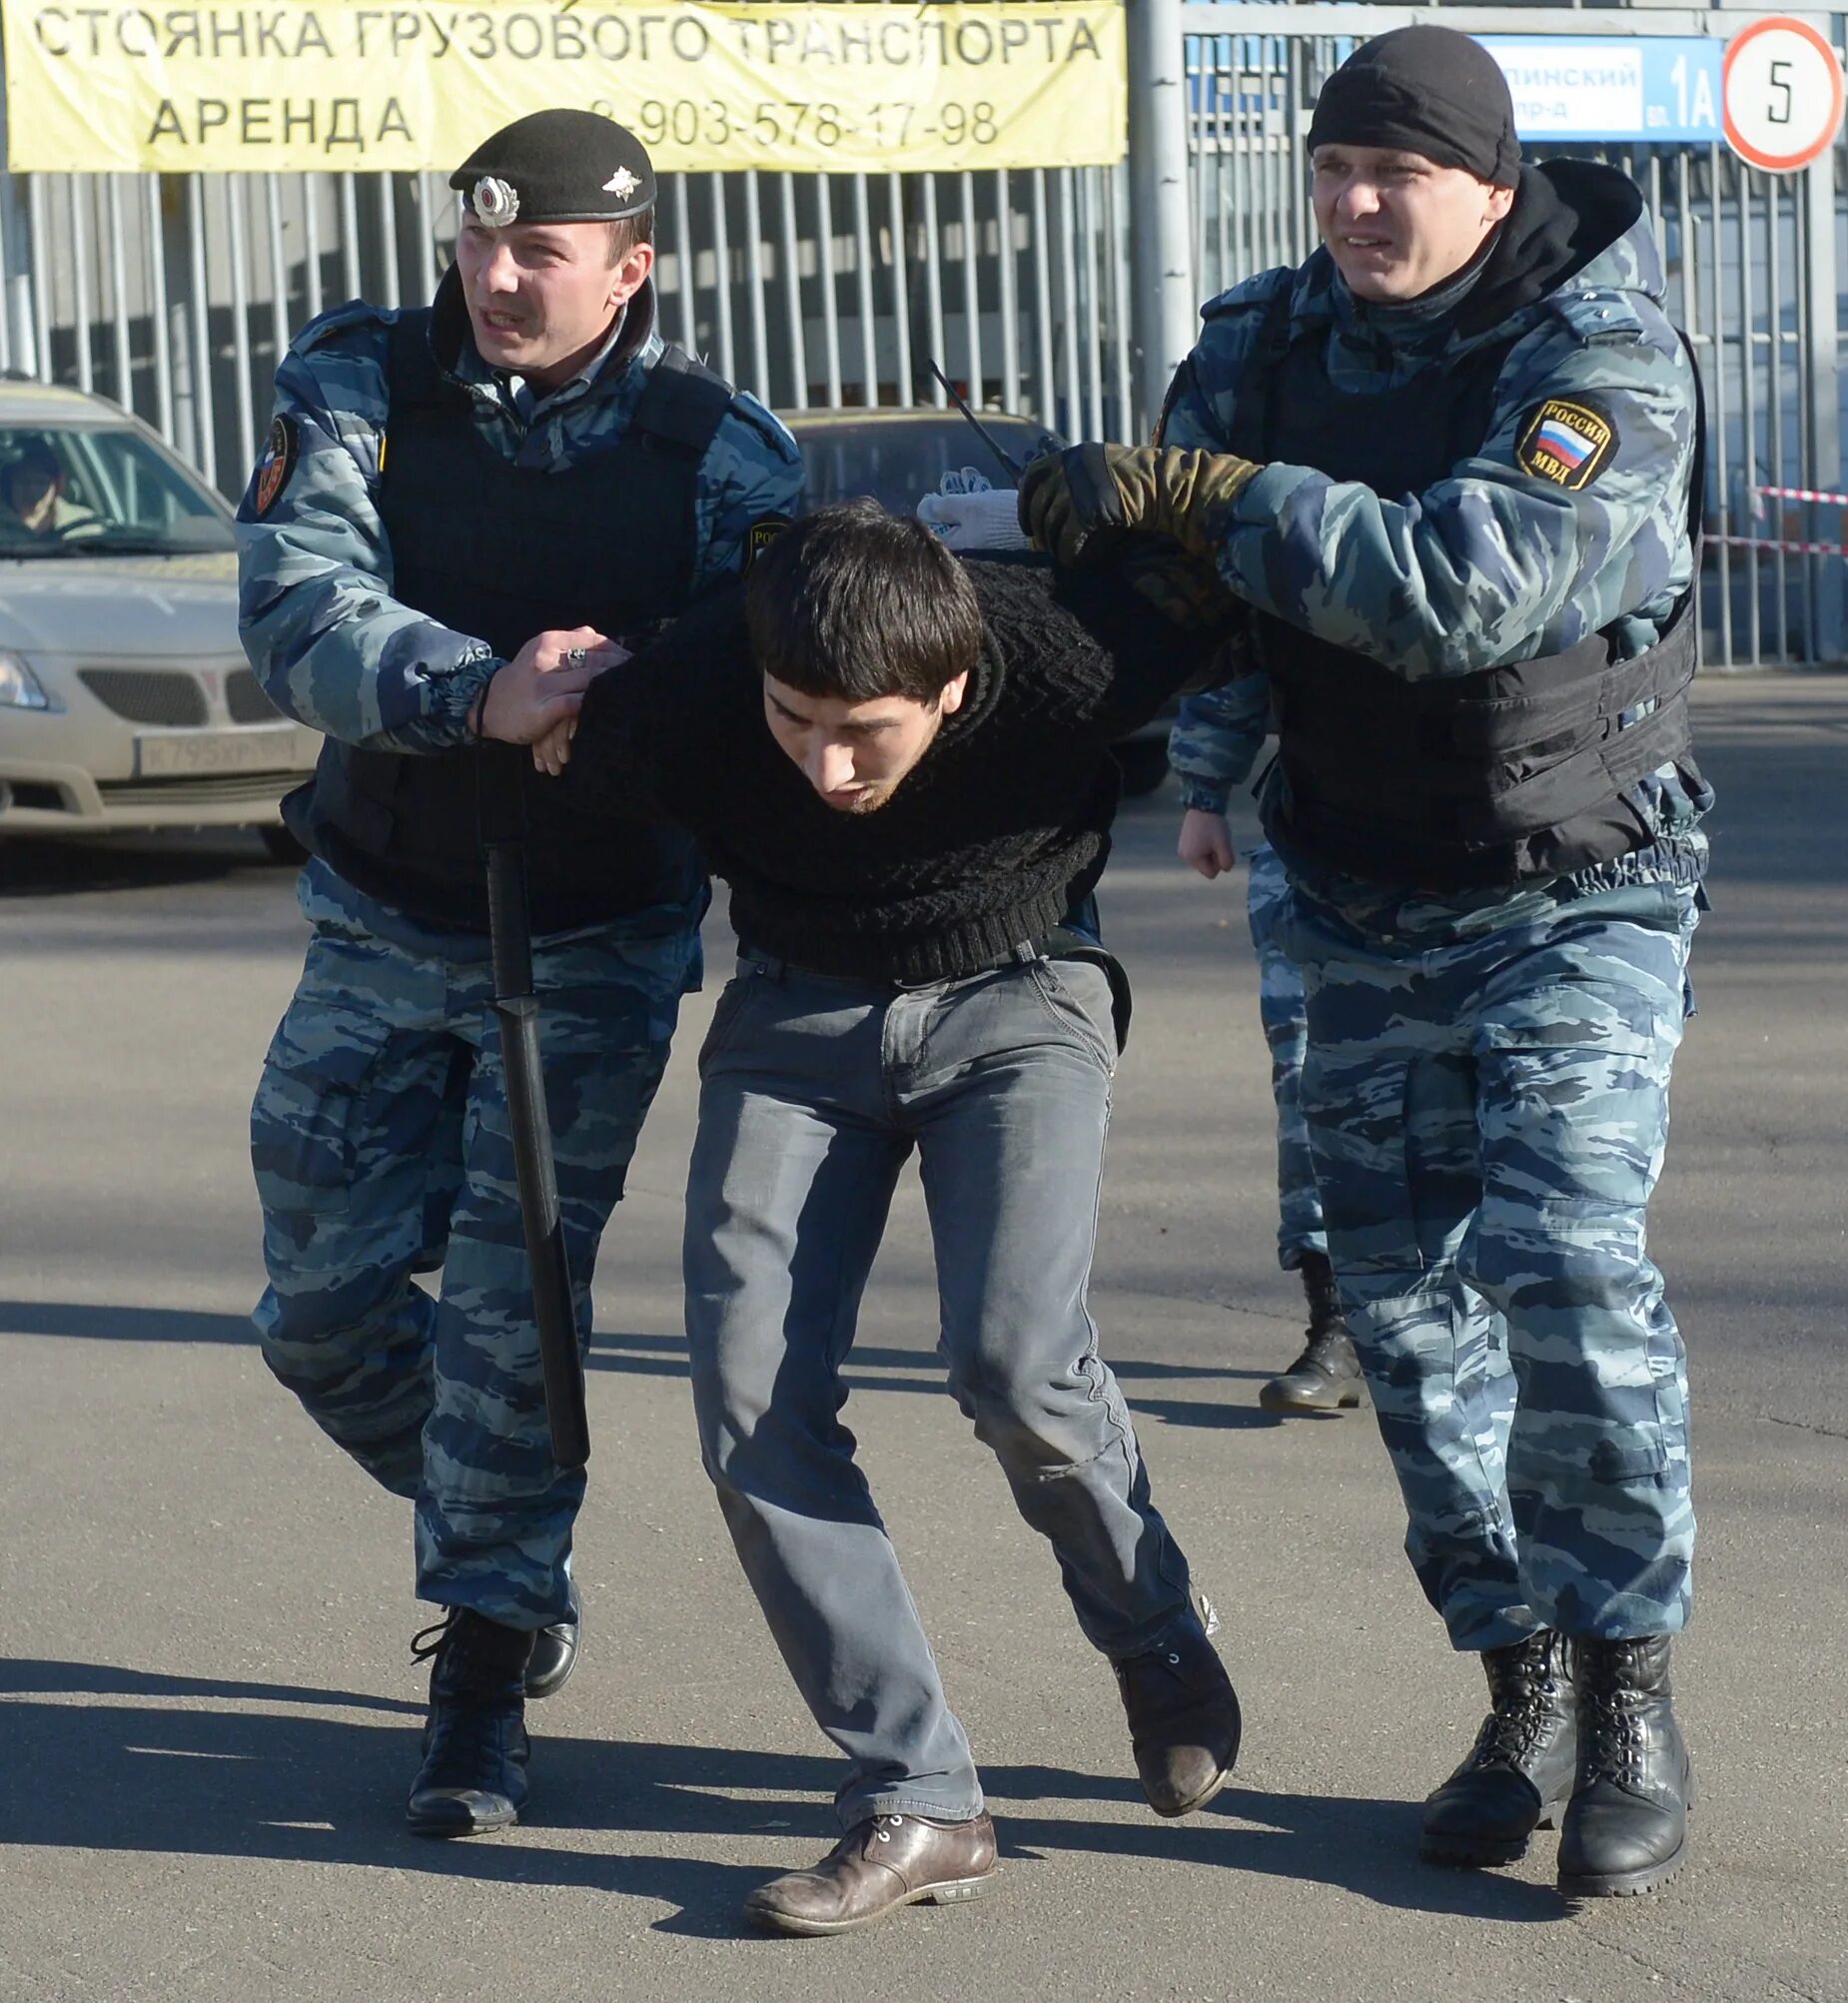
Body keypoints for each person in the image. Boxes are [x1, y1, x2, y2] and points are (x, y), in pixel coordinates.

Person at [1018, 25, 1708, 1897]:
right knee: (1404, 1326)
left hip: (1576, 889)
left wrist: (1210, 501)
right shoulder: (1264, 343)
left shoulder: (1598, 351)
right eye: (1333, 170)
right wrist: (1042, 591)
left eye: (1396, 174)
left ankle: (1633, 1685)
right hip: (1357, 893)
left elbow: (1465, 587)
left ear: (1491, 188)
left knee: (1565, 1256)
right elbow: (1177, 600)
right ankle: (1521, 1678)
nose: (1356, 205)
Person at [478, 501, 1247, 1936]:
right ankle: (919, 1794)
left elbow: (1267, 604)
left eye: (868, 731)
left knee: (1013, 1358)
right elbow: (526, 757)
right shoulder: (698, 690)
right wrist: (525, 703)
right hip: (795, 1016)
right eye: (797, 719)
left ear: (953, 690)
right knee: (747, 1402)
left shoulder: (1070, 656)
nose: (827, 764)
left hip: (1019, 997)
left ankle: (1152, 1632)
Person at [234, 109, 802, 1837]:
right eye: (475, 243)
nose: (492, 278)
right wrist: (479, 688)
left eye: (537, 253)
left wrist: (623, 703)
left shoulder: (725, 455)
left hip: (597, 945)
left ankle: (488, 1650)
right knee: (321, 1314)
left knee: (505, 1307)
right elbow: (293, 607)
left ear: (632, 270)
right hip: (382, 907)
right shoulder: (354, 381)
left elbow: (768, 699)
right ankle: (495, 1513)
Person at [1167, 672, 1361, 1415]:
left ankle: (1467, 1324)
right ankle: (1339, 1323)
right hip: (1318, 829)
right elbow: (1253, 626)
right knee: (1310, 1079)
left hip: (1496, 836)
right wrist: (1204, 787)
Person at [0, 439, 92, 539]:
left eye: (40, 482)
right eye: (22, 482)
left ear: (57, 485)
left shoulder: (86, 526)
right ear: (7, 485)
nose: (31, 491)